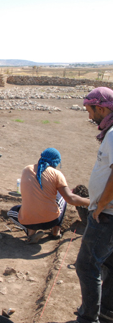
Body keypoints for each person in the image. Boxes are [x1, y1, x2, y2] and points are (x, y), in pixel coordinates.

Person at [76, 87, 113, 323]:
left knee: (86, 266)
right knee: (108, 262)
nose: (90, 117)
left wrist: (99, 206)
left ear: (101, 108)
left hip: (107, 213)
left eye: (90, 110)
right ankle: (106, 310)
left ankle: (89, 318)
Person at [5, 148, 89, 243]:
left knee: (12, 212)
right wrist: (90, 201)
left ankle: (31, 232)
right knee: (63, 197)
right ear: (56, 162)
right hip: (51, 221)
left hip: (29, 221)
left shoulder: (27, 169)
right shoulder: (57, 174)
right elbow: (70, 198)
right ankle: (55, 232)